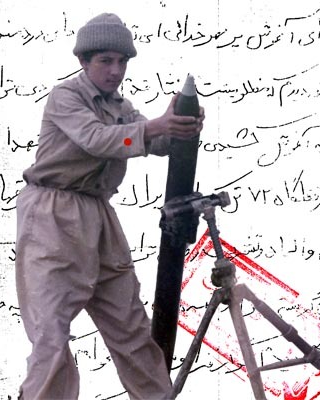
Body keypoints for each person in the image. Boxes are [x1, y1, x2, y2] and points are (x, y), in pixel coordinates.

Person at [15, 13, 203, 400]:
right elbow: (97, 140)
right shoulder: (66, 97)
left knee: (131, 329)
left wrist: (181, 127)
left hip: (99, 215)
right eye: (105, 61)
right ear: (84, 61)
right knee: (51, 337)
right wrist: (156, 127)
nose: (115, 71)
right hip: (52, 215)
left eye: (122, 62)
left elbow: (148, 142)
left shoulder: (121, 107)